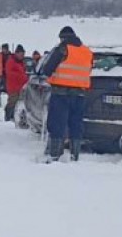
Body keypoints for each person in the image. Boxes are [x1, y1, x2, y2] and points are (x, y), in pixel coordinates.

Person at [39, 26, 93, 161]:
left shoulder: (62, 49)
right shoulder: (87, 52)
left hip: (61, 94)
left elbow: (47, 69)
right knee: (76, 124)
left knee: (57, 124)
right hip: (80, 94)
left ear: (63, 38)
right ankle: (75, 155)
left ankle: (54, 155)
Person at [4, 45, 29, 123]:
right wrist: (22, 77)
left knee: (17, 103)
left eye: (23, 54)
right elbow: (9, 73)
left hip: (20, 86)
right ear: (17, 53)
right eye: (21, 54)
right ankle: (8, 117)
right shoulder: (11, 61)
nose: (22, 56)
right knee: (12, 102)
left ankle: (13, 117)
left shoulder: (20, 62)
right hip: (13, 86)